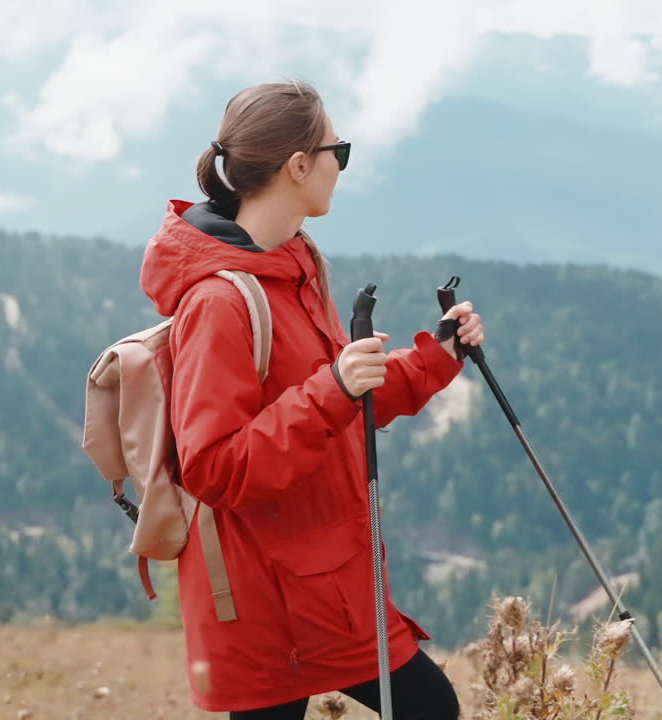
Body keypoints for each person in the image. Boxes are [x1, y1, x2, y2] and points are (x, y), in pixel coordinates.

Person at [138, 79, 483, 719]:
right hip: (265, 600)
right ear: (299, 165)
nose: (341, 167)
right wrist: (334, 387)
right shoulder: (219, 303)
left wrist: (438, 356)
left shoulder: (293, 263)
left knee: (430, 708)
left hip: (326, 580)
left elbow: (340, 401)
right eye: (338, 151)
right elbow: (215, 468)